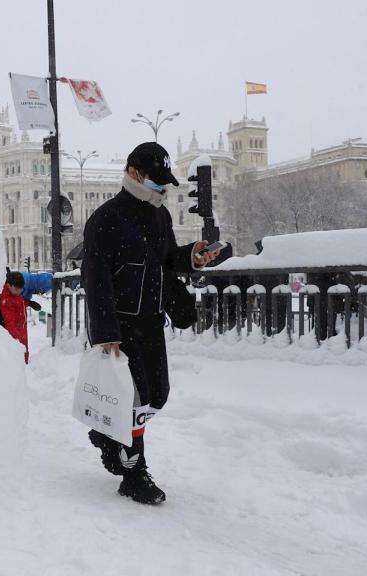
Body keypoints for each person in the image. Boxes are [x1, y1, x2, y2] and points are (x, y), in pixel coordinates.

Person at [82, 142, 221, 505]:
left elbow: (166, 263)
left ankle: (109, 432)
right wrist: (105, 332)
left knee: (157, 396)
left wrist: (192, 257)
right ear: (134, 173)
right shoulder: (106, 217)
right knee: (135, 400)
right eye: (156, 180)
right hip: (121, 326)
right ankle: (134, 472)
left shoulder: (160, 216)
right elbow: (95, 278)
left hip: (151, 322)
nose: (161, 189)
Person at [0, 270, 42, 363]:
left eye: (21, 289)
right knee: (19, 354)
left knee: (24, 350)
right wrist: (16, 339)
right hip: (16, 332)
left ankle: (25, 362)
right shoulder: (6, 300)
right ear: (8, 285)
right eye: (17, 289)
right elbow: (9, 322)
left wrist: (29, 303)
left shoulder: (14, 294)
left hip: (21, 328)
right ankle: (21, 365)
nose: (20, 292)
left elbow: (19, 302)